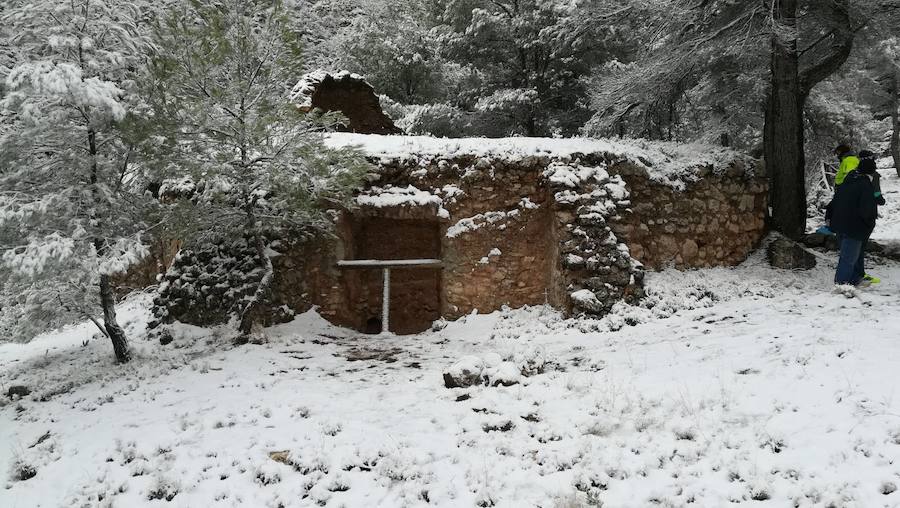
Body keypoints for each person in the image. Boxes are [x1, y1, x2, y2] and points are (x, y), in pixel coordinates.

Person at [829, 159, 879, 286]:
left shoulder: (847, 181)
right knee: (849, 258)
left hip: (839, 224)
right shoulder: (865, 185)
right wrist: (869, 223)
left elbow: (835, 201)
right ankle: (842, 285)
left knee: (853, 255)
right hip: (855, 226)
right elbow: (867, 209)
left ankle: (855, 279)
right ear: (871, 172)